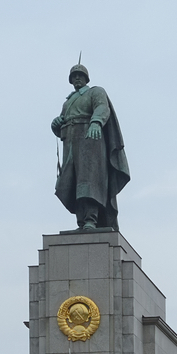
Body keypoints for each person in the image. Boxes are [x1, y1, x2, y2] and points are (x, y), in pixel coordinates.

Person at [51, 64, 130, 230]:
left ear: (87, 78)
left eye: (80, 75)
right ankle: (81, 221)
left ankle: (90, 219)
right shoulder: (68, 102)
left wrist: (96, 122)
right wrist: (56, 124)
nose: (77, 78)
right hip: (70, 142)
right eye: (74, 76)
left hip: (90, 139)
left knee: (88, 180)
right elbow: (62, 122)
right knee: (72, 181)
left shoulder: (95, 91)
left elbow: (102, 107)